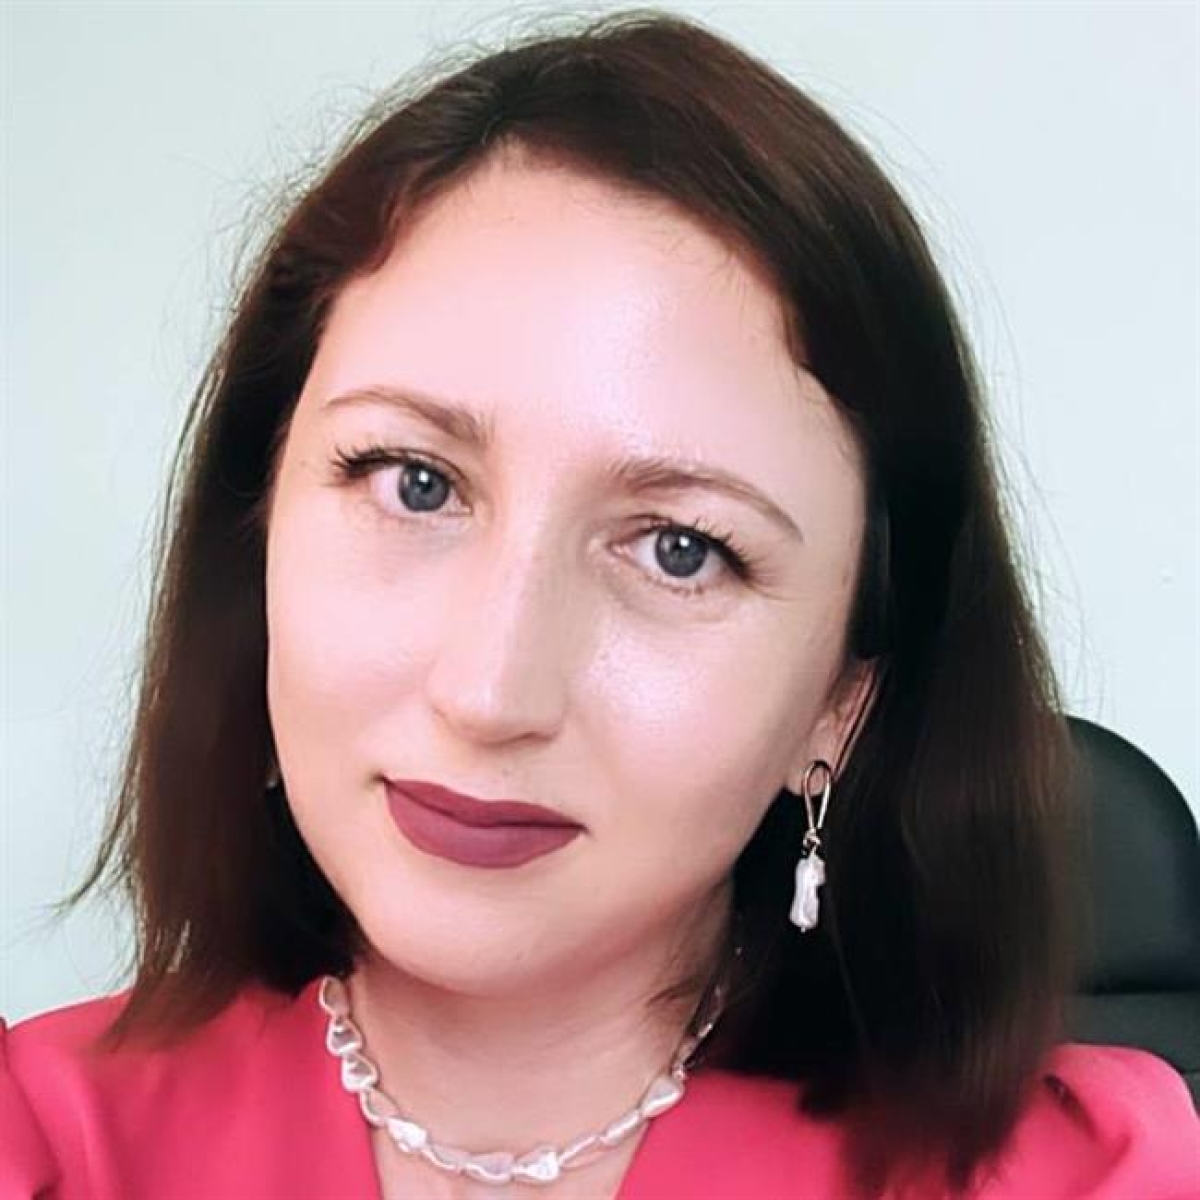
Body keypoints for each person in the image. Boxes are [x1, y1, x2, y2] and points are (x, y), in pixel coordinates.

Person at [2, 10, 1197, 1200]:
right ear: (256, 531)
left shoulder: (1087, 1177)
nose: (489, 693)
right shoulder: (47, 1142)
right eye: (415, 483)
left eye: (681, 550)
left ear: (841, 700)